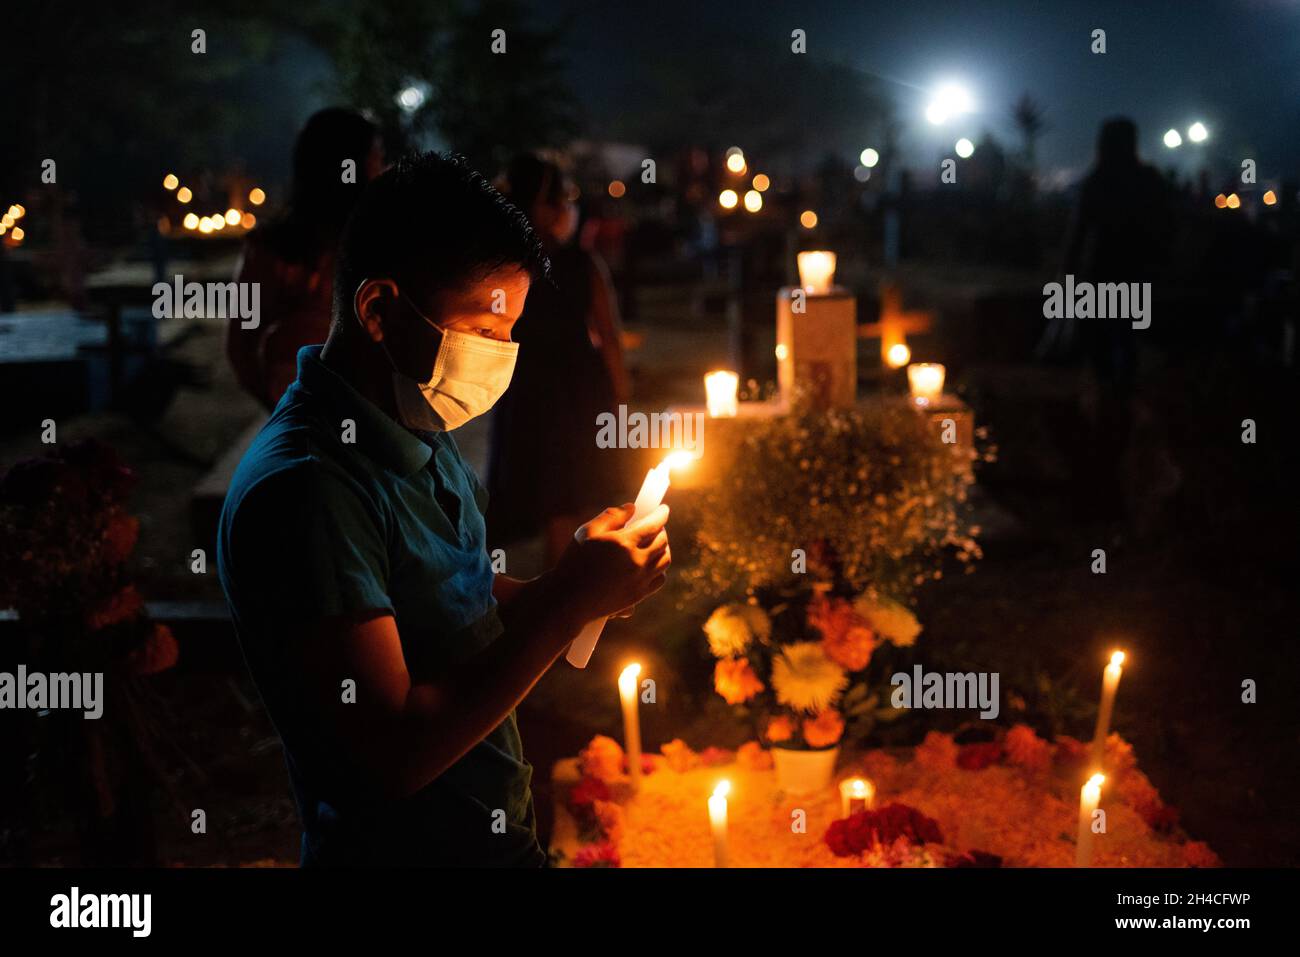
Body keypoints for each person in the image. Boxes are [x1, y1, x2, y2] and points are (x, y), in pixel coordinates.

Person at [216, 152, 671, 867]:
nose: (500, 356)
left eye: (510, 332)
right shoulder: (309, 489)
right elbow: (388, 754)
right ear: (379, 309)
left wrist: (584, 586)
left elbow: (462, 611)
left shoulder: (416, 430)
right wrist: (563, 602)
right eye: (484, 331)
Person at [488, 153, 630, 562]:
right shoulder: (579, 263)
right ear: (542, 207)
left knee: (555, 500)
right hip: (578, 390)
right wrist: (620, 396)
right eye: (561, 199)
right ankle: (581, 595)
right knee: (582, 494)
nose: (568, 209)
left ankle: (563, 596)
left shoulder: (501, 268)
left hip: (528, 393)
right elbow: (609, 335)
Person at [227, 108, 385, 409]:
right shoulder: (377, 245)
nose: (381, 167)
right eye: (376, 156)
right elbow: (242, 347)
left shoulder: (270, 247)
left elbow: (241, 350)